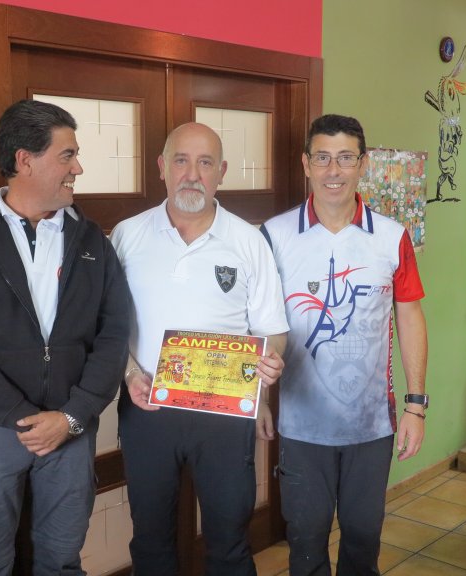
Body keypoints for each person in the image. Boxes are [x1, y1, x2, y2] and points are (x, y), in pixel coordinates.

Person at [0, 99, 131, 576]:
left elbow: (114, 333)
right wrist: (21, 417)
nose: (78, 168)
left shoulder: (92, 241)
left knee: (61, 560)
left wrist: (73, 415)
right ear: (25, 160)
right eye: (67, 155)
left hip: (70, 428)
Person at [110, 122, 289, 576]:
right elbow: (106, 327)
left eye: (205, 162)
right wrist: (129, 373)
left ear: (221, 172)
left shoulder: (248, 241)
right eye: (181, 161)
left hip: (225, 414)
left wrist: (267, 371)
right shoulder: (127, 235)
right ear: (162, 167)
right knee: (151, 540)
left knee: (229, 541)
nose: (192, 174)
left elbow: (272, 329)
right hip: (148, 407)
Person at [259, 114, 429, 576]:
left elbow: (410, 317)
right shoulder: (274, 236)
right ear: (306, 164)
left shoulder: (392, 237)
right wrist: (258, 402)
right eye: (322, 158)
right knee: (306, 539)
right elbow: (258, 323)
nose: (333, 170)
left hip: (371, 426)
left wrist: (416, 406)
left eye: (345, 158)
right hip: (301, 425)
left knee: (363, 537)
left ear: (363, 164)